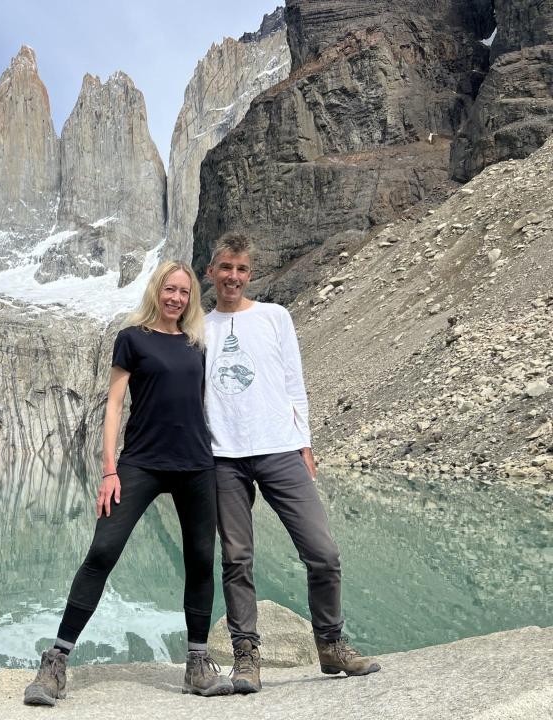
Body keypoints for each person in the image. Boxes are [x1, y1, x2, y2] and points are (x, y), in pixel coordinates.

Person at [23, 261, 234, 706]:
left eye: (183, 292)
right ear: (156, 291)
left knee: (199, 559)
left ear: (191, 297)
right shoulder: (132, 339)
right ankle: (56, 663)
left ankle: (196, 664)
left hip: (196, 464)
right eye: (169, 289)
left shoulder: (198, 343)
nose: (176, 298)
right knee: (102, 551)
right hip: (141, 462)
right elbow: (115, 406)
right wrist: (108, 469)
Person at [204, 231, 380, 694]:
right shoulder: (198, 329)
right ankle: (246, 655)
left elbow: (294, 384)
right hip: (224, 457)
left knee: (323, 553)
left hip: (280, 447)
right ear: (211, 272)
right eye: (226, 267)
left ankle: (330, 643)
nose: (233, 276)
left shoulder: (275, 317)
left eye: (241, 269)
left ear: (250, 273)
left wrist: (305, 442)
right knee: (237, 558)